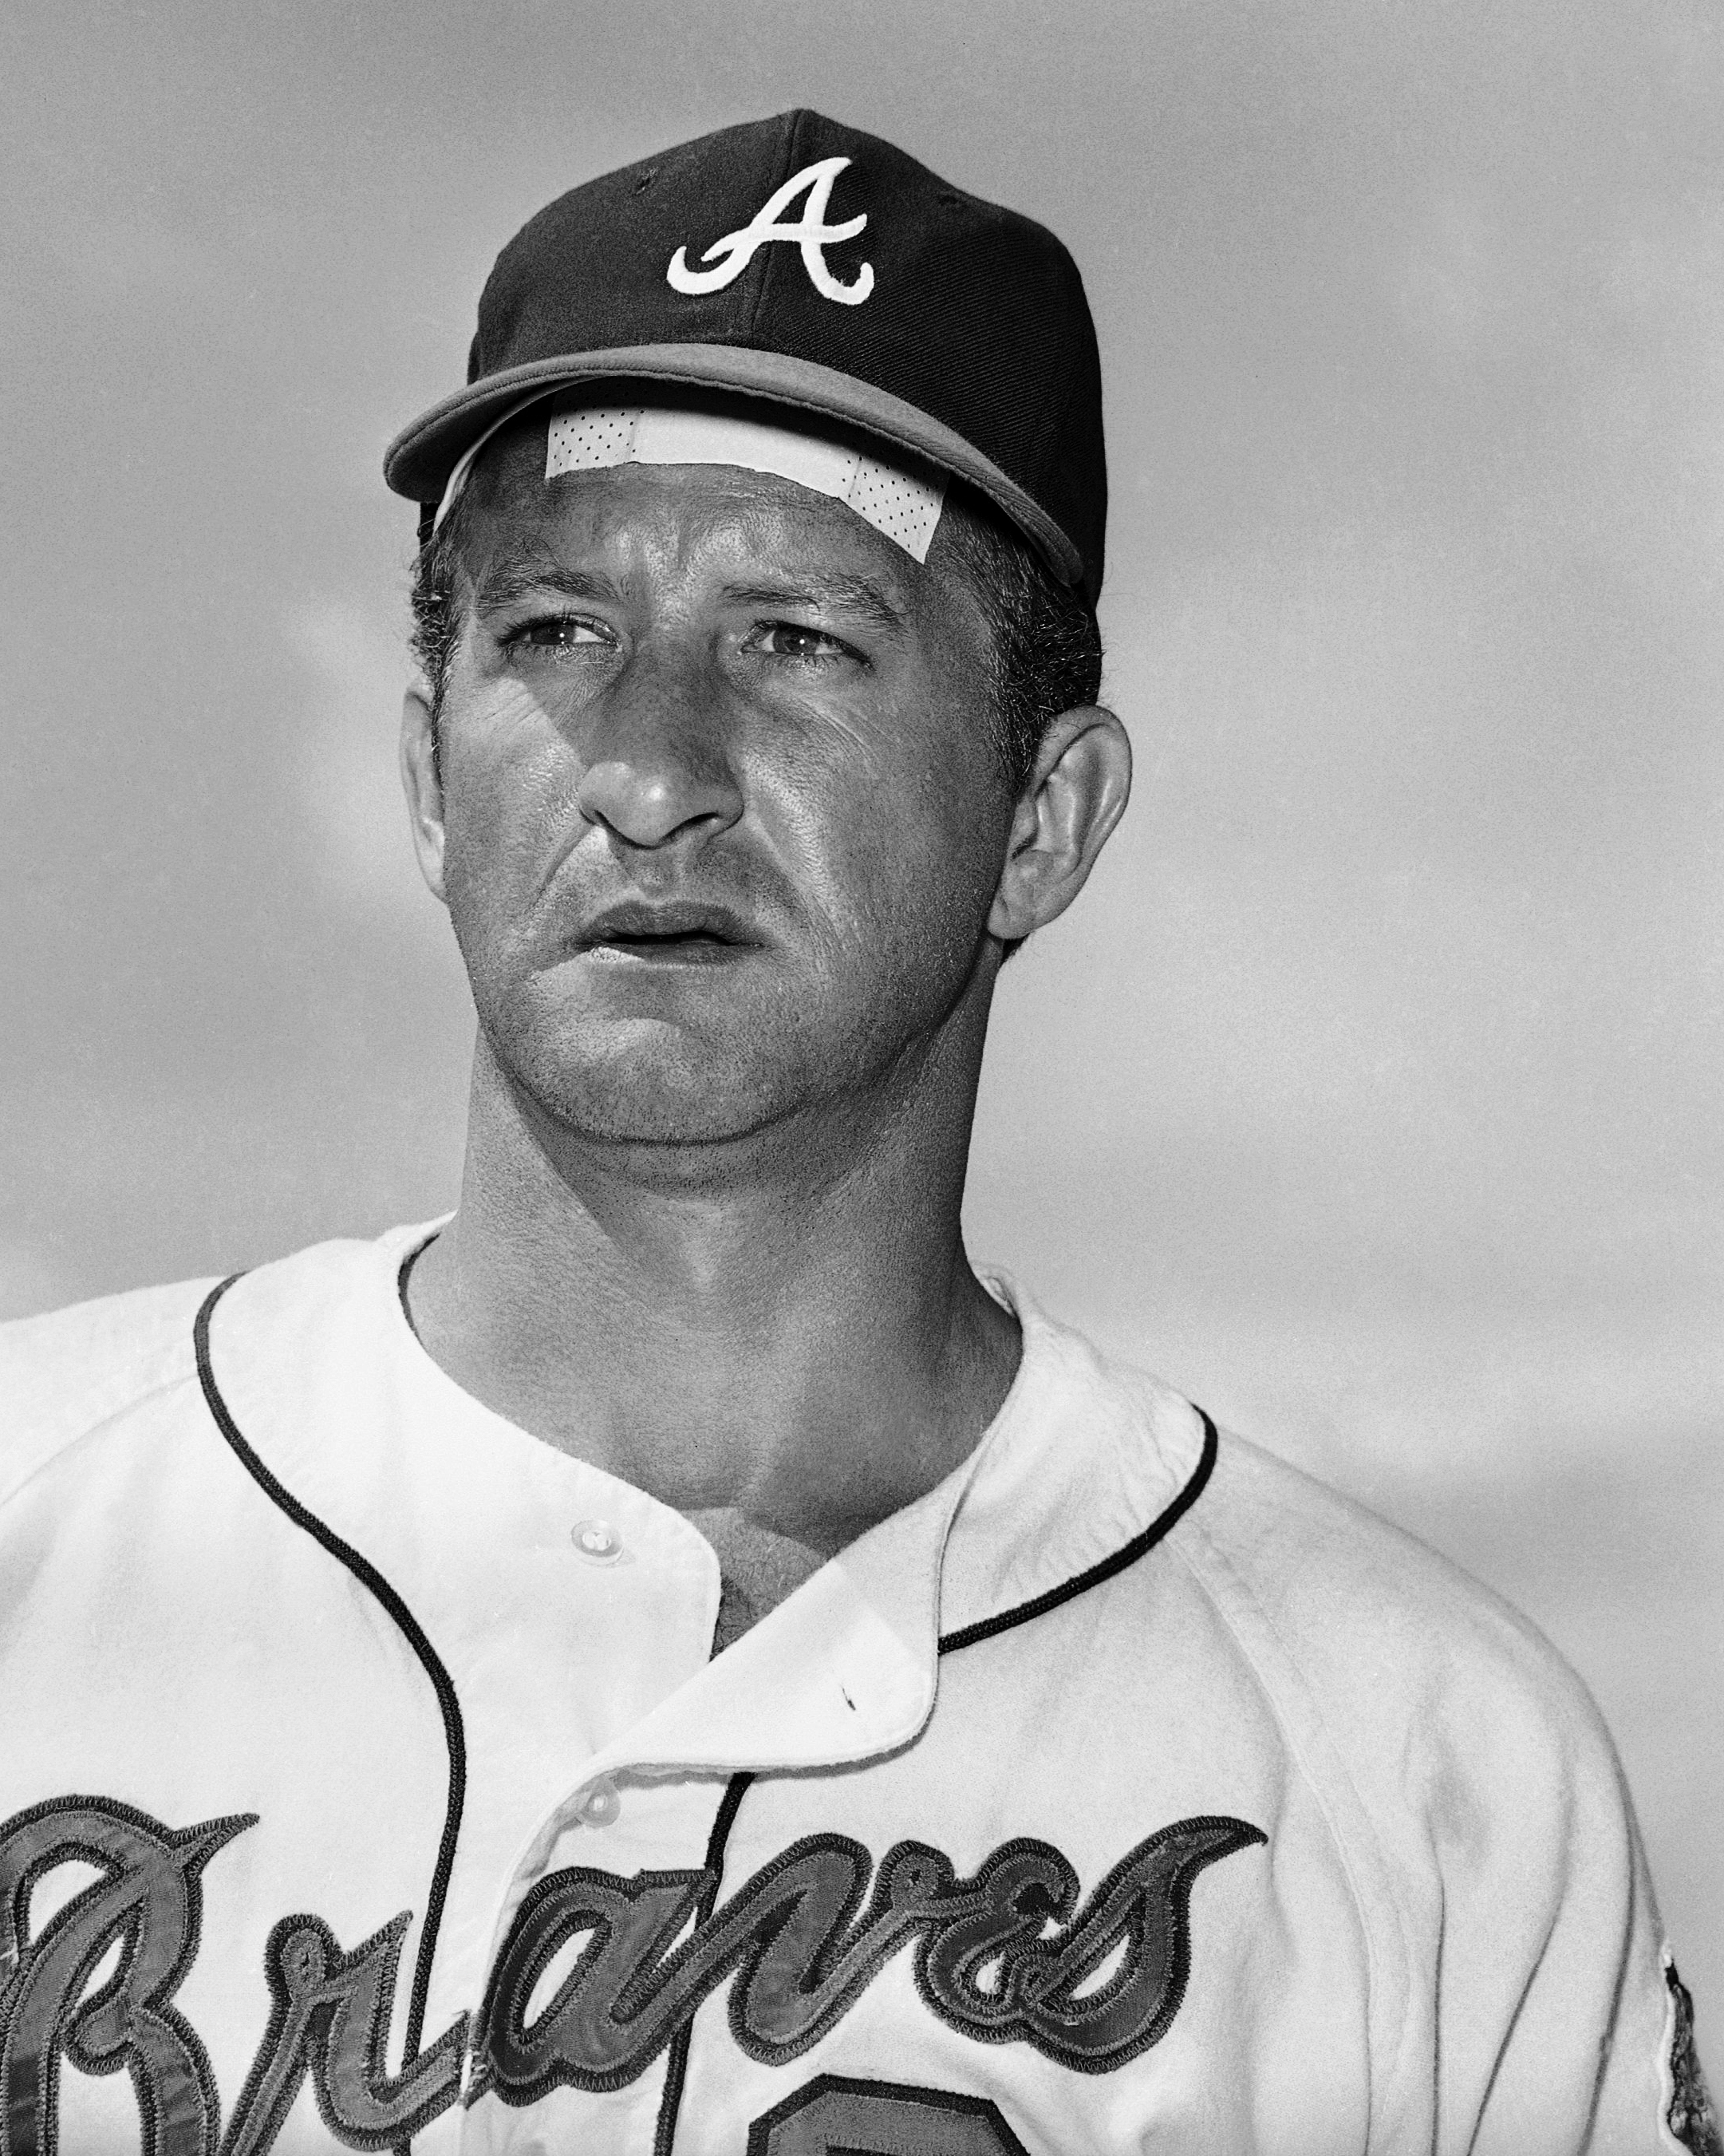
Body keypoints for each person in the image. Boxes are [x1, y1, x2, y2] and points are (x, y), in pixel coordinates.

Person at [0, 109, 1712, 2156]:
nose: (646, 770)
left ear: (1043, 816)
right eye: (552, 632)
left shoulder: (1425, 1767)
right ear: (429, 772)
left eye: (794, 643)